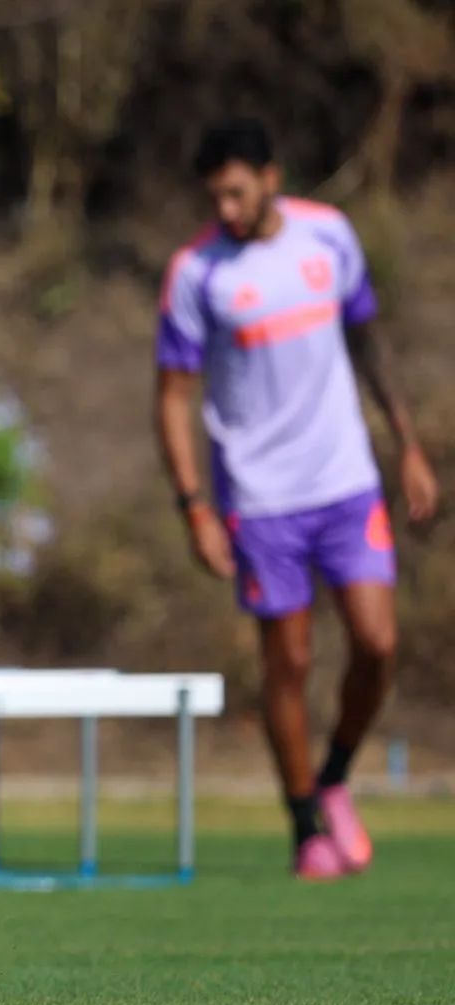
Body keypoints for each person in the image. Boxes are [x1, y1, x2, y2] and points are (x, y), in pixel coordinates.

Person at [154, 117, 439, 880]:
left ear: (272, 177)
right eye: (217, 197)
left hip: (346, 481)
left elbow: (368, 343)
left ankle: (337, 774)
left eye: (239, 192)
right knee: (292, 661)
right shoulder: (197, 273)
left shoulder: (330, 237)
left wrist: (407, 446)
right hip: (260, 496)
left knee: (378, 643)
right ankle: (306, 823)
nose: (228, 209)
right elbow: (173, 399)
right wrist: (194, 505)